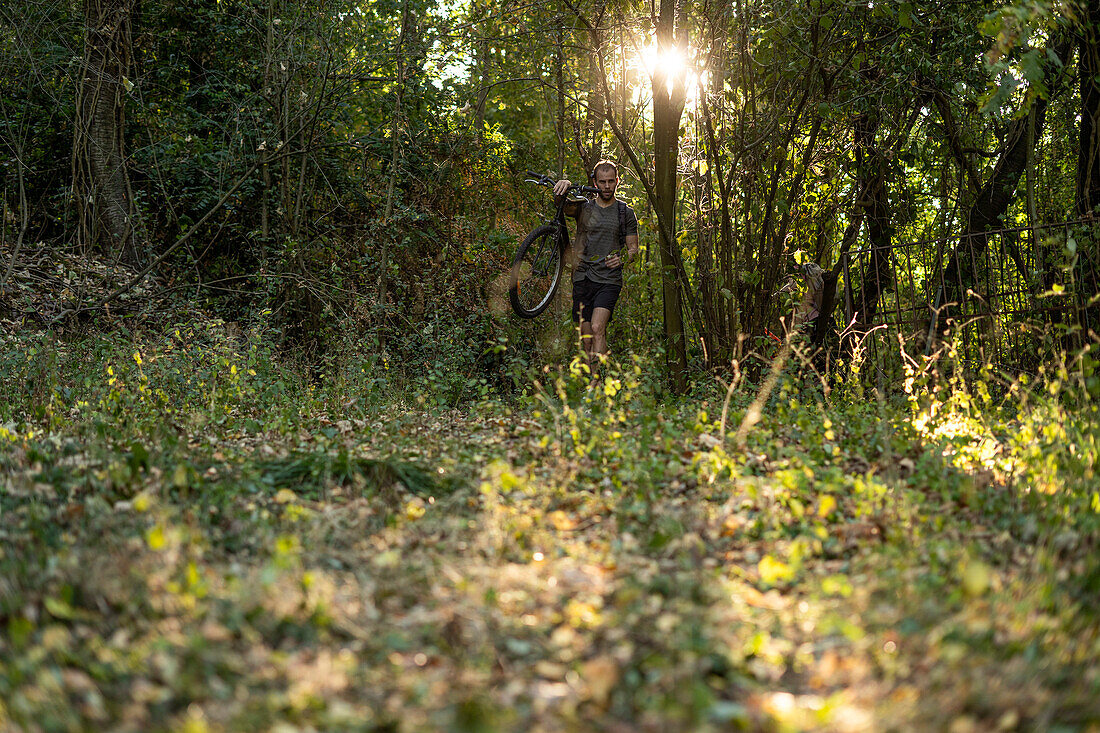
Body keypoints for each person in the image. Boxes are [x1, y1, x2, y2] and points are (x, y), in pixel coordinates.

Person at [552, 160, 639, 363]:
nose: (607, 186)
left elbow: (633, 249)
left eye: (610, 181)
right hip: (582, 277)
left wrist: (623, 258)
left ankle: (599, 386)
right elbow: (562, 206)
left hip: (609, 280)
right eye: (602, 182)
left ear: (617, 181)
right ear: (595, 182)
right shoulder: (584, 208)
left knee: (598, 328)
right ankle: (594, 387)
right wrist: (562, 186)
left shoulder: (625, 212)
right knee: (587, 339)